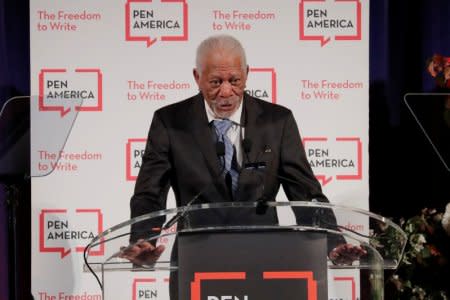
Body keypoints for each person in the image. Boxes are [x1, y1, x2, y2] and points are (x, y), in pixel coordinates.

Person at [122, 34, 365, 278]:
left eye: (234, 80)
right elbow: (150, 193)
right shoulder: (170, 122)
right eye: (215, 82)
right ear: (197, 77)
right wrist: (144, 240)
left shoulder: (277, 122)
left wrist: (333, 244)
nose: (226, 91)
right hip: (196, 261)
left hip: (264, 260)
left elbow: (306, 193)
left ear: (247, 74)